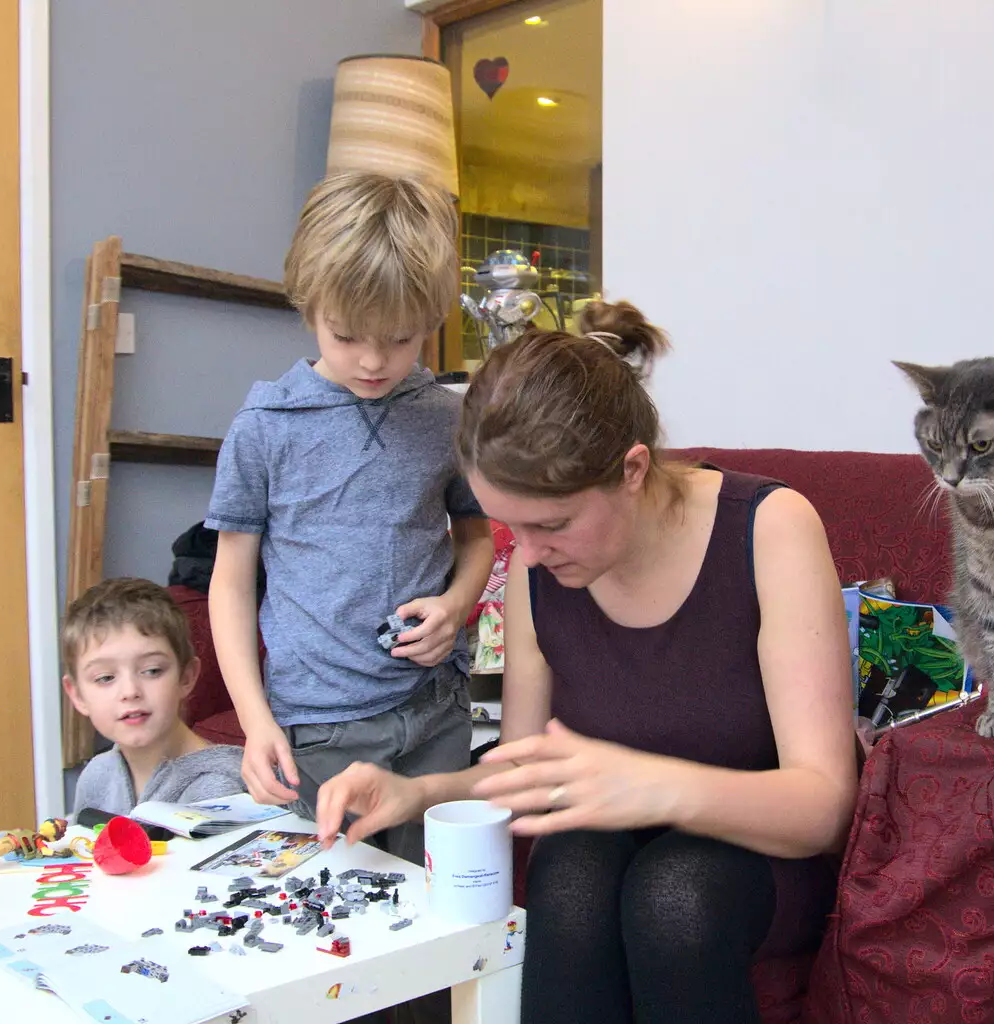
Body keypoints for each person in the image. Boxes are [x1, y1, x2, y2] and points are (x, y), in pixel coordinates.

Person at [315, 301, 858, 1023]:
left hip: (761, 853)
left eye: (551, 524)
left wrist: (657, 787)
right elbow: (527, 774)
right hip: (615, 844)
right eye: (511, 528)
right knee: (569, 870)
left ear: (633, 470)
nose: (527, 557)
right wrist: (418, 793)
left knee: (677, 892)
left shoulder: (770, 527)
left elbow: (822, 807)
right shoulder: (542, 577)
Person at [206, 171, 494, 865]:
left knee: (442, 900)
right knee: (339, 909)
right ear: (310, 308)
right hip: (321, 724)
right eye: (347, 336)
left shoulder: (445, 416)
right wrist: (255, 721)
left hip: (437, 710)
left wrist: (456, 605)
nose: (373, 361)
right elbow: (231, 582)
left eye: (400, 341)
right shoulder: (266, 426)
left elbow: (478, 536)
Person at [65, 578, 244, 816]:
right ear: (77, 695)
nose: (130, 691)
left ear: (187, 677)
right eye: (106, 677)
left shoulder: (218, 790)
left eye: (152, 671)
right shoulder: (96, 777)